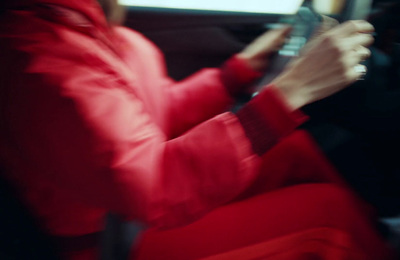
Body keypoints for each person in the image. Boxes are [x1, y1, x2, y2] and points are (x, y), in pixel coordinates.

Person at [0, 0, 394, 259]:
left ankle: (374, 236)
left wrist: (236, 71)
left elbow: (155, 112)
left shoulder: (92, 26)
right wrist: (290, 92)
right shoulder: (41, 64)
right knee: (329, 215)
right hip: (114, 239)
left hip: (133, 206)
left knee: (295, 150)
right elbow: (155, 186)